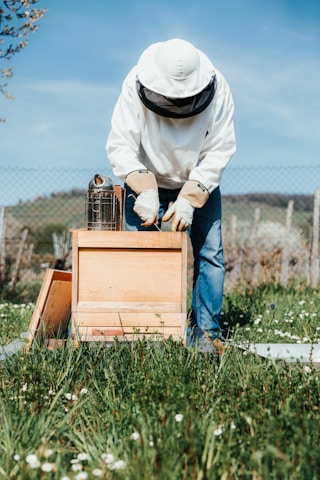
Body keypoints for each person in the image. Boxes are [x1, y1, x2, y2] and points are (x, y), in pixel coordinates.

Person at [106, 38, 236, 354]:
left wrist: (191, 197)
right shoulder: (133, 83)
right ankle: (145, 331)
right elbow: (121, 144)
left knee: (210, 254)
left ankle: (207, 333)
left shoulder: (219, 89)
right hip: (146, 181)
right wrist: (145, 189)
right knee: (139, 255)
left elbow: (220, 148)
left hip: (197, 182)